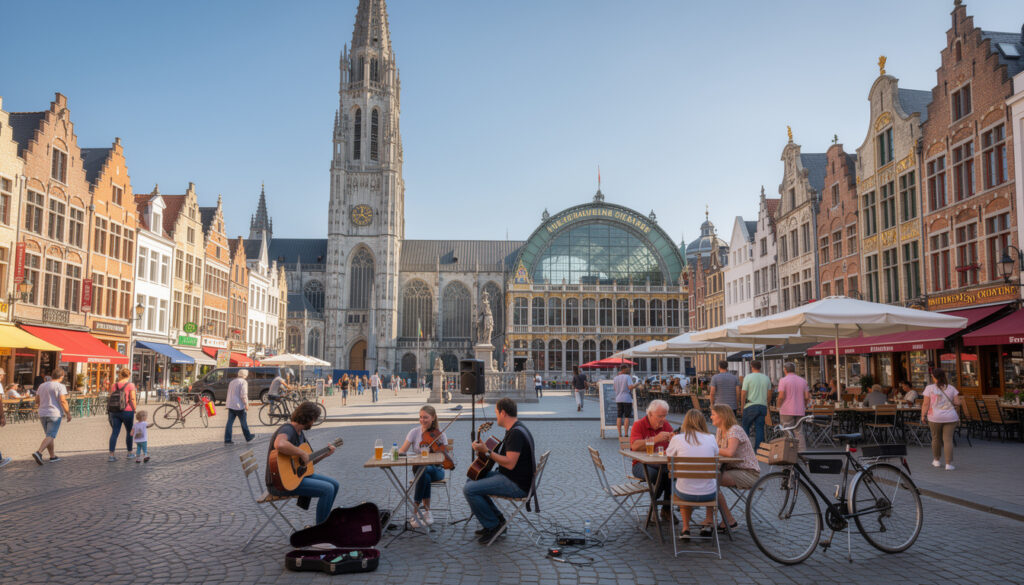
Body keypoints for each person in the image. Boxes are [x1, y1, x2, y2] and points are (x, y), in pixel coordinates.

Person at [464, 398, 536, 544]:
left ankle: (493, 526)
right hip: (511, 477)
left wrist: (487, 451)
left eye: (496, 412)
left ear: (503, 413)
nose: (496, 415)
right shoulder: (515, 428)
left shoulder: (516, 434)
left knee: (469, 489)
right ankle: (498, 519)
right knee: (472, 478)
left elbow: (509, 463)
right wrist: (485, 450)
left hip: (516, 484)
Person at [267, 402, 339, 524]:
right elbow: (279, 444)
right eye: (314, 419)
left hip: (296, 477)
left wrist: (325, 455)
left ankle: (326, 523)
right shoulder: (288, 429)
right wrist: (301, 452)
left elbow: (308, 462)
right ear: (307, 418)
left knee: (335, 484)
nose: (313, 423)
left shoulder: (300, 434)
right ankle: (321, 531)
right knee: (328, 489)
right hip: (279, 484)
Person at [665, 409, 719, 539]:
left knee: (682, 481)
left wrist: (672, 441)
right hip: (709, 494)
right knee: (711, 481)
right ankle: (708, 523)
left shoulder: (677, 438)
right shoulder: (711, 438)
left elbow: (669, 456)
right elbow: (716, 454)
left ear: (685, 423)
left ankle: (685, 528)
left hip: (685, 493)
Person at [710, 404, 760, 530]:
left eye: (713, 414)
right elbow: (719, 453)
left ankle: (729, 520)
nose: (711, 417)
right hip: (732, 470)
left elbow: (729, 452)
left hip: (748, 473)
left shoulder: (734, 430)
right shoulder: (720, 430)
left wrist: (710, 447)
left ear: (722, 416)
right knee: (708, 479)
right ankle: (711, 519)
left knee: (711, 482)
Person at [399, 405, 448, 527]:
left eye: (425, 417)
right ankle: (427, 512)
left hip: (437, 470)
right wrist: (399, 453)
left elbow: (445, 457)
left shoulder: (440, 434)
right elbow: (402, 451)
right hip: (419, 469)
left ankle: (415, 511)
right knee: (424, 473)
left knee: (424, 471)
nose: (422, 420)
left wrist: (437, 449)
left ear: (433, 417)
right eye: (420, 417)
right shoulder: (414, 432)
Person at [629, 399, 675, 521]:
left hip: (662, 464)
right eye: (660, 416)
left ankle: (665, 508)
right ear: (650, 414)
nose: (663, 419)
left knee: (671, 474)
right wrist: (656, 439)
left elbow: (675, 444)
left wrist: (674, 439)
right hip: (641, 464)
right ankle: (659, 507)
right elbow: (635, 446)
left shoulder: (666, 425)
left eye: (665, 416)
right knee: (659, 475)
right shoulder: (639, 424)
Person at [921, 369, 961, 471]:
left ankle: (936, 461)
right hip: (950, 417)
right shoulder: (951, 388)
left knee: (935, 438)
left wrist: (923, 415)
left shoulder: (929, 388)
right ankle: (948, 464)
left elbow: (925, 404)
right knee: (948, 440)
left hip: (934, 417)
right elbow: (957, 402)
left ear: (934, 377)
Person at [32, 367, 71, 465]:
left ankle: (52, 456)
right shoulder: (60, 386)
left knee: (49, 435)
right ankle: (39, 452)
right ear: (61, 377)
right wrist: (68, 413)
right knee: (51, 435)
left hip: (42, 413)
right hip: (54, 413)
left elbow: (37, 400)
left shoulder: (42, 385)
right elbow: (63, 401)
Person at [776, 362, 811, 451]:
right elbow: (807, 397)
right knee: (799, 432)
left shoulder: (783, 380)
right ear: (794, 370)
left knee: (787, 432)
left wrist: (778, 406)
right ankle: (802, 452)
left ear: (785, 370)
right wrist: (804, 406)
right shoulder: (803, 380)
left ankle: (789, 453)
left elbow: (781, 396)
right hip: (800, 410)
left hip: (786, 410)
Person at [739, 360, 772, 450]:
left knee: (746, 426)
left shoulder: (748, 377)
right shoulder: (766, 378)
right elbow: (769, 394)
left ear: (751, 367)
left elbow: (743, 393)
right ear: (760, 367)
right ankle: (758, 449)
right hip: (762, 406)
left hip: (750, 405)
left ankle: (746, 448)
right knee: (759, 428)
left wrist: (742, 407)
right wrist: (767, 404)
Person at [107, 368, 138, 462]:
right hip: (127, 411)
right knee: (129, 432)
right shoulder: (130, 385)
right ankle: (129, 453)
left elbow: (110, 396)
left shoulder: (114, 385)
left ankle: (111, 455)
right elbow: (132, 399)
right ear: (129, 375)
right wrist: (134, 409)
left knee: (115, 432)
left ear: (120, 375)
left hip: (114, 411)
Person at [224, 369, 257, 444]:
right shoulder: (243, 382)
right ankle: (248, 437)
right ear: (244, 375)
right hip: (239, 405)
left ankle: (227, 439)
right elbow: (243, 394)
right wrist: (246, 404)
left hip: (231, 404)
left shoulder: (232, 381)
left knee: (229, 423)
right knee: (243, 422)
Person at [613, 365, 638, 437]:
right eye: (628, 369)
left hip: (618, 399)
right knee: (627, 416)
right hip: (627, 399)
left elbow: (614, 388)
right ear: (623, 370)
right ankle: (626, 434)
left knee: (619, 416)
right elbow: (630, 387)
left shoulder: (616, 378)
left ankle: (619, 434)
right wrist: (637, 384)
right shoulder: (627, 377)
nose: (629, 370)